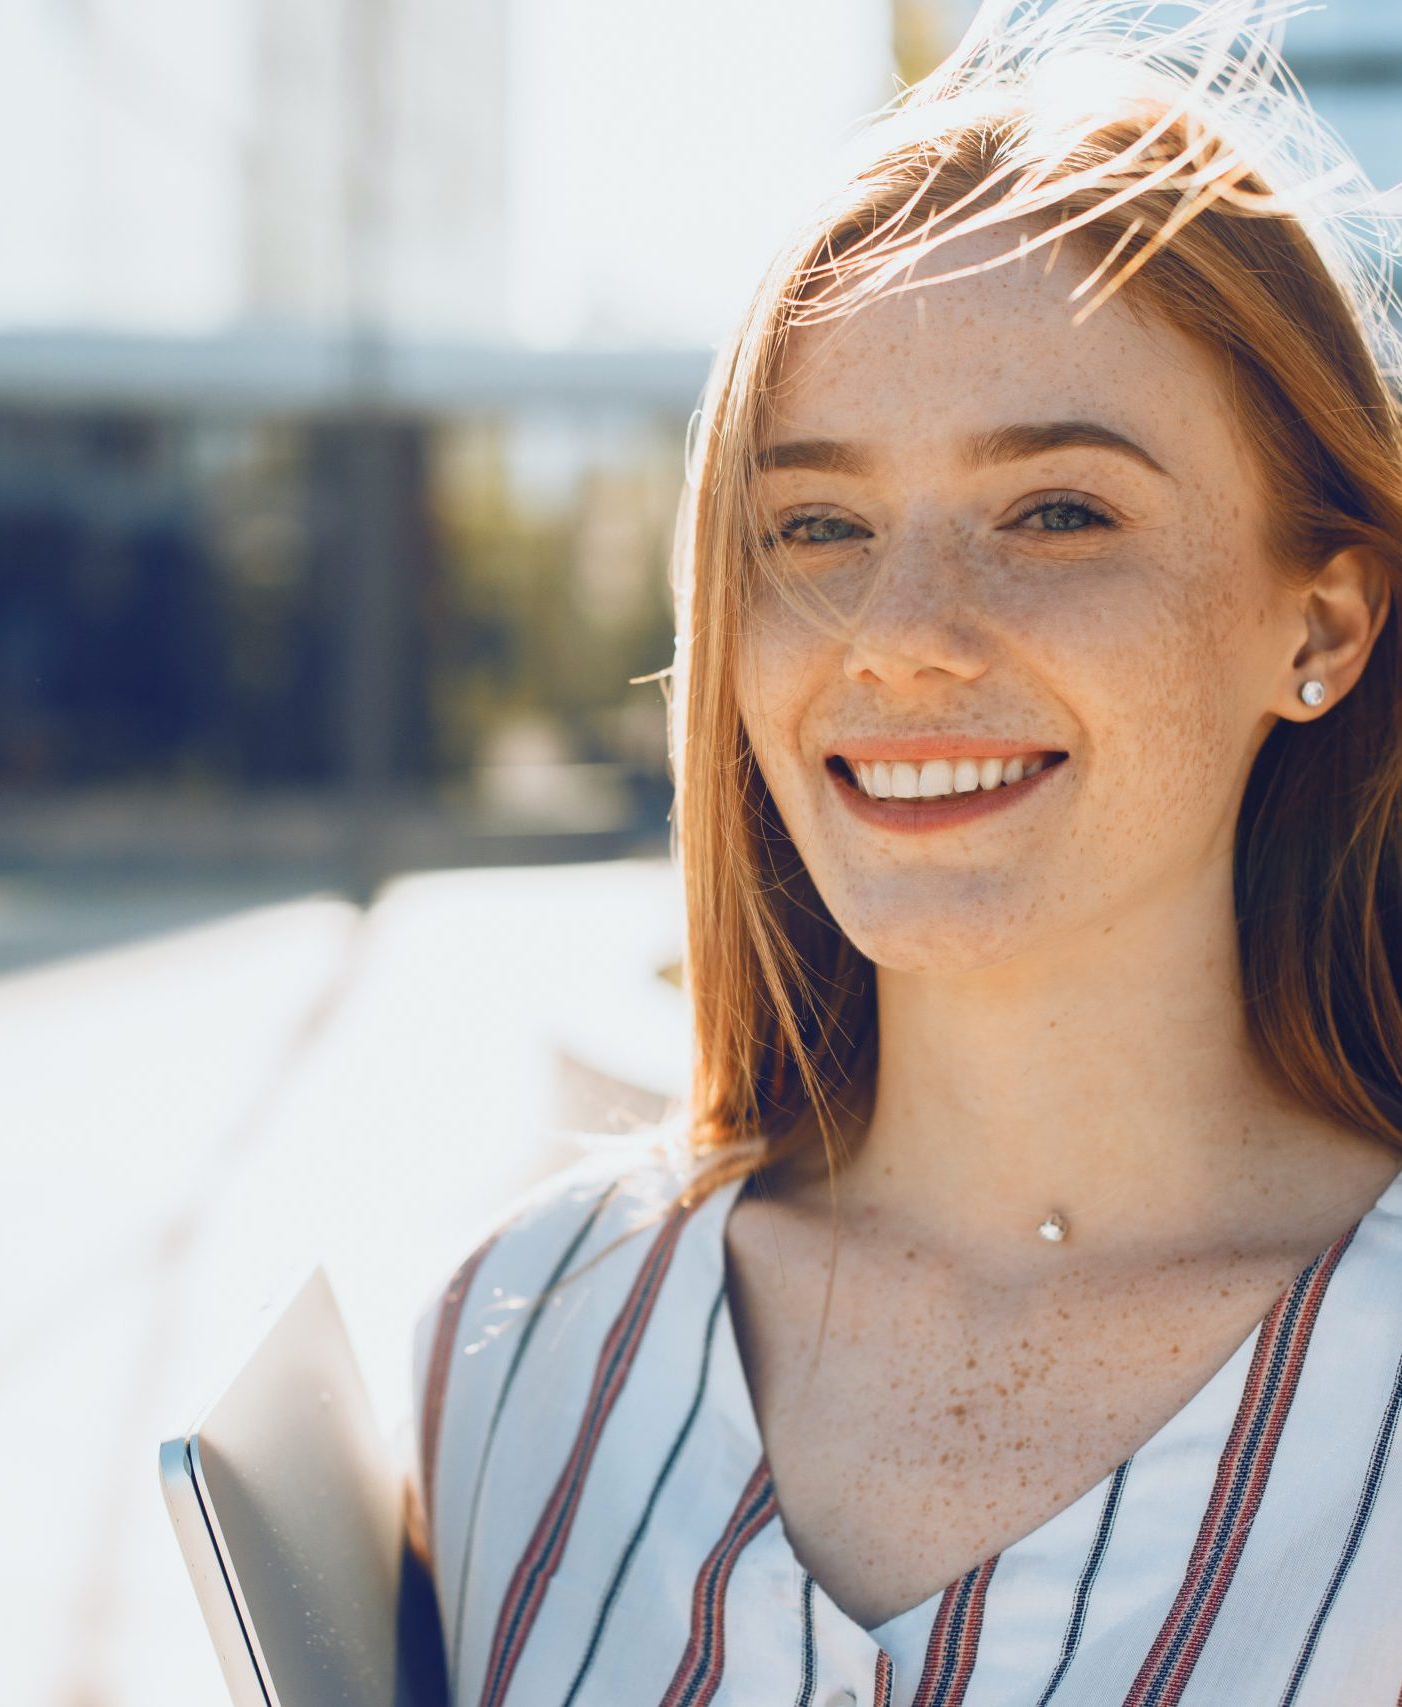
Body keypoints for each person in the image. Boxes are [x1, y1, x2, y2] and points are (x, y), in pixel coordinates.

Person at [403, 2, 1402, 1701]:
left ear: (1321, 619)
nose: (903, 636)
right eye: (818, 526)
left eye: (1059, 511)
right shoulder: (519, 1337)